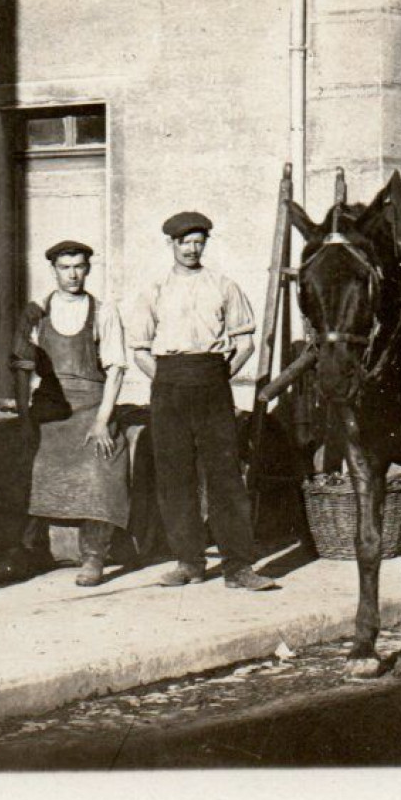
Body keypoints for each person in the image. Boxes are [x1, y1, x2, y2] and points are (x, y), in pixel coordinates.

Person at [126, 212, 276, 591]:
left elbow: (245, 343)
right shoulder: (154, 290)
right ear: (171, 245)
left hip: (212, 380)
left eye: (198, 242)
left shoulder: (223, 286)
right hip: (169, 383)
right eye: (184, 243)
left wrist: (219, 374)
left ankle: (238, 566)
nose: (192, 249)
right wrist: (164, 379)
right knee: (175, 474)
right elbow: (140, 348)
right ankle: (188, 562)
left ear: (205, 244)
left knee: (225, 475)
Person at [0, 240, 131, 588]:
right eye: (65, 267)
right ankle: (28, 551)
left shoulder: (104, 312)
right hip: (50, 407)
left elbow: (116, 369)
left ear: (87, 269)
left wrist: (103, 421)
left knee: (102, 465)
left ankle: (94, 556)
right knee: (30, 466)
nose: (72, 274)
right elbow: (21, 366)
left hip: (93, 404)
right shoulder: (37, 312)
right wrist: (26, 418)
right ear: (54, 270)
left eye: (78, 267)